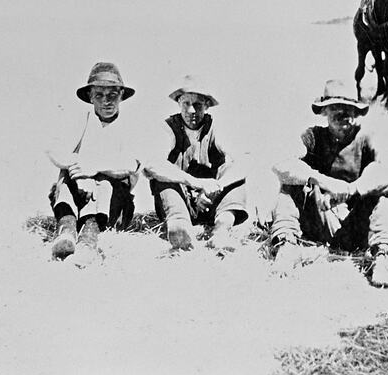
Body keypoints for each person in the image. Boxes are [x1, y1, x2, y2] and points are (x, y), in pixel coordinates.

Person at [269, 79, 388, 288]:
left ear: (356, 113)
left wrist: (349, 191)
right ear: (324, 112)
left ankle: (381, 257)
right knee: (289, 184)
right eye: (335, 108)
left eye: (348, 109)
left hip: (356, 223)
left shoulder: (366, 138)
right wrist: (323, 181)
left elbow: (387, 173)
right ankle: (286, 247)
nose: (342, 114)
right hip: (321, 217)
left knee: (382, 195)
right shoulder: (313, 137)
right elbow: (280, 164)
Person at [47, 62, 140, 266]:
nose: (106, 101)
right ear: (90, 96)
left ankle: (88, 242)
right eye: (99, 95)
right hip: (80, 194)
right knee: (65, 172)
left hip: (112, 202)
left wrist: (95, 168)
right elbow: (54, 149)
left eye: (112, 95)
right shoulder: (82, 121)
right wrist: (81, 175)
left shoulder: (131, 126)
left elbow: (131, 165)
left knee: (106, 181)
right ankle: (67, 230)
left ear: (122, 95)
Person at [143, 75, 248, 252]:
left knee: (232, 172)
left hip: (211, 203)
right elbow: (151, 164)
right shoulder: (167, 128)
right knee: (163, 177)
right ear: (178, 103)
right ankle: (180, 230)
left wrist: (216, 188)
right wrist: (197, 183)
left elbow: (245, 160)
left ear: (207, 105)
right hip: (180, 200)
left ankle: (221, 232)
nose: (191, 110)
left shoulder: (216, 127)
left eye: (198, 104)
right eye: (186, 103)